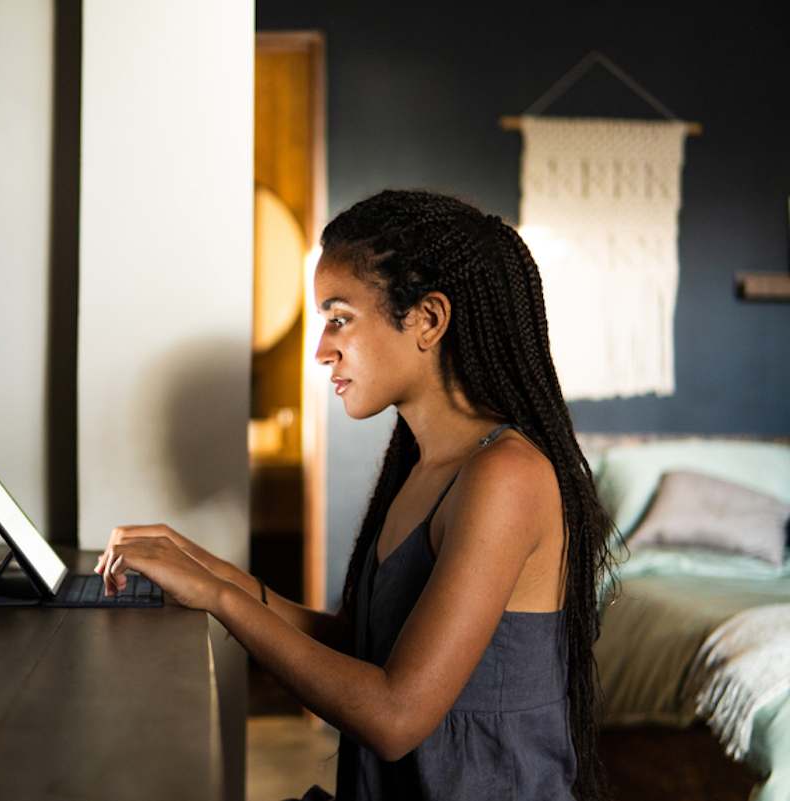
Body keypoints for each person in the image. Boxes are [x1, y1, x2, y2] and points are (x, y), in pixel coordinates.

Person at [93, 189, 621, 801]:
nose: (321, 350)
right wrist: (200, 566)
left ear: (427, 320)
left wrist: (217, 597)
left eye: (338, 318)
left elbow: (395, 717)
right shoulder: (425, 467)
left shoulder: (506, 475)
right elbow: (361, 648)